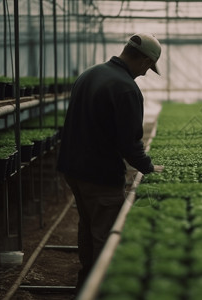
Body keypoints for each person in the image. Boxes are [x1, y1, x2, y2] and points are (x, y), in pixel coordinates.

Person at [57, 33, 164, 294]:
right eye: (149, 67)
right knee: (105, 234)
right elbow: (130, 144)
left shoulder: (89, 74)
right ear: (144, 60)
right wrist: (149, 167)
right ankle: (101, 288)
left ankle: (85, 282)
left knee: (88, 223)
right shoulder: (126, 88)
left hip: (73, 168)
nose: (146, 73)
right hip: (99, 173)